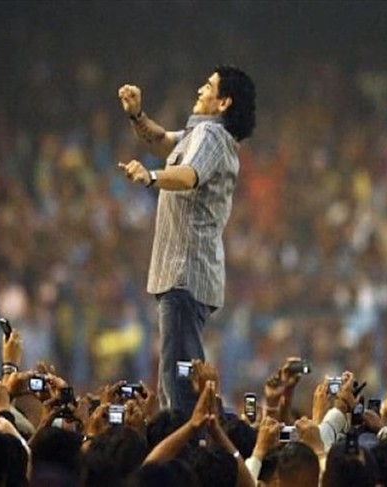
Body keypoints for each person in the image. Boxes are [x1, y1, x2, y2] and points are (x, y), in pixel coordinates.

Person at [117, 66, 256, 418]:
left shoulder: (212, 135)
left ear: (223, 102)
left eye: (208, 86)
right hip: (185, 275)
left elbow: (189, 176)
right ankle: (198, 433)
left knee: (178, 385)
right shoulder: (201, 134)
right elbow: (159, 140)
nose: (199, 89)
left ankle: (189, 440)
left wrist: (151, 176)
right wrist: (137, 115)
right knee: (177, 375)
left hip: (185, 274)